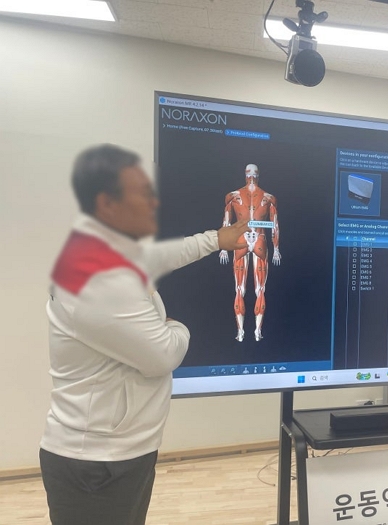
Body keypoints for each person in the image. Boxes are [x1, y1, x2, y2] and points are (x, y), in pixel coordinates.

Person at [39, 144, 250, 525]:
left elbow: (162, 256)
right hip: (96, 464)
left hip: (119, 451)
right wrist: (178, 326)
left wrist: (215, 239)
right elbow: (162, 355)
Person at [219, 163, 280, 342]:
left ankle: (250, 332)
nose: (252, 177)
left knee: (248, 289)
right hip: (253, 240)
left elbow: (274, 225)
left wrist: (276, 249)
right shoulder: (265, 197)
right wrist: (276, 249)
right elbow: (226, 223)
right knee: (249, 289)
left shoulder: (236, 196)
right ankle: (250, 332)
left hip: (245, 240)